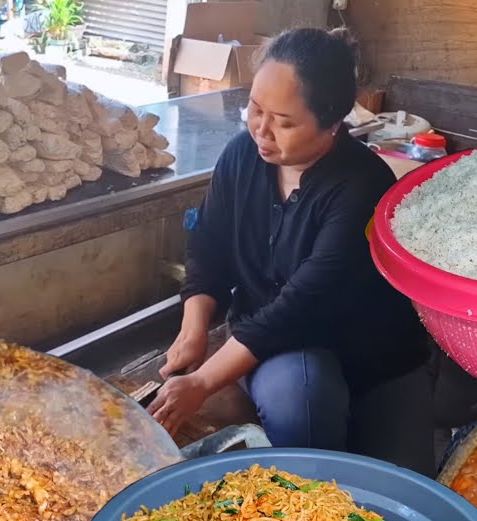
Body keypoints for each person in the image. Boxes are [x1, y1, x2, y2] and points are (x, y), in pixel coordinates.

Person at [148, 27, 434, 475]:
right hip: (278, 346)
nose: (261, 130)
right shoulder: (242, 156)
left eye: (283, 122)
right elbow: (209, 247)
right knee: (299, 397)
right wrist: (193, 330)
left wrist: (202, 382)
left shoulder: (362, 186)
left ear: (333, 123)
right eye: (256, 109)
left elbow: (302, 306)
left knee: (398, 484)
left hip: (371, 359)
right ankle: (302, 479)